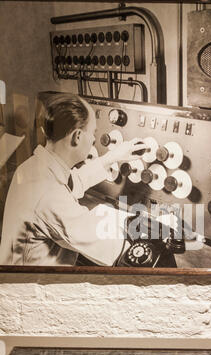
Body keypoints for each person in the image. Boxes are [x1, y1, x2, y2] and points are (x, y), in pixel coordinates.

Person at [0, 92, 147, 266]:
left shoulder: (34, 167)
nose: (93, 139)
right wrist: (145, 232)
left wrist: (112, 157)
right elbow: (105, 245)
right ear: (77, 137)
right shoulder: (49, 194)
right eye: (93, 132)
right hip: (32, 288)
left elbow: (73, 182)